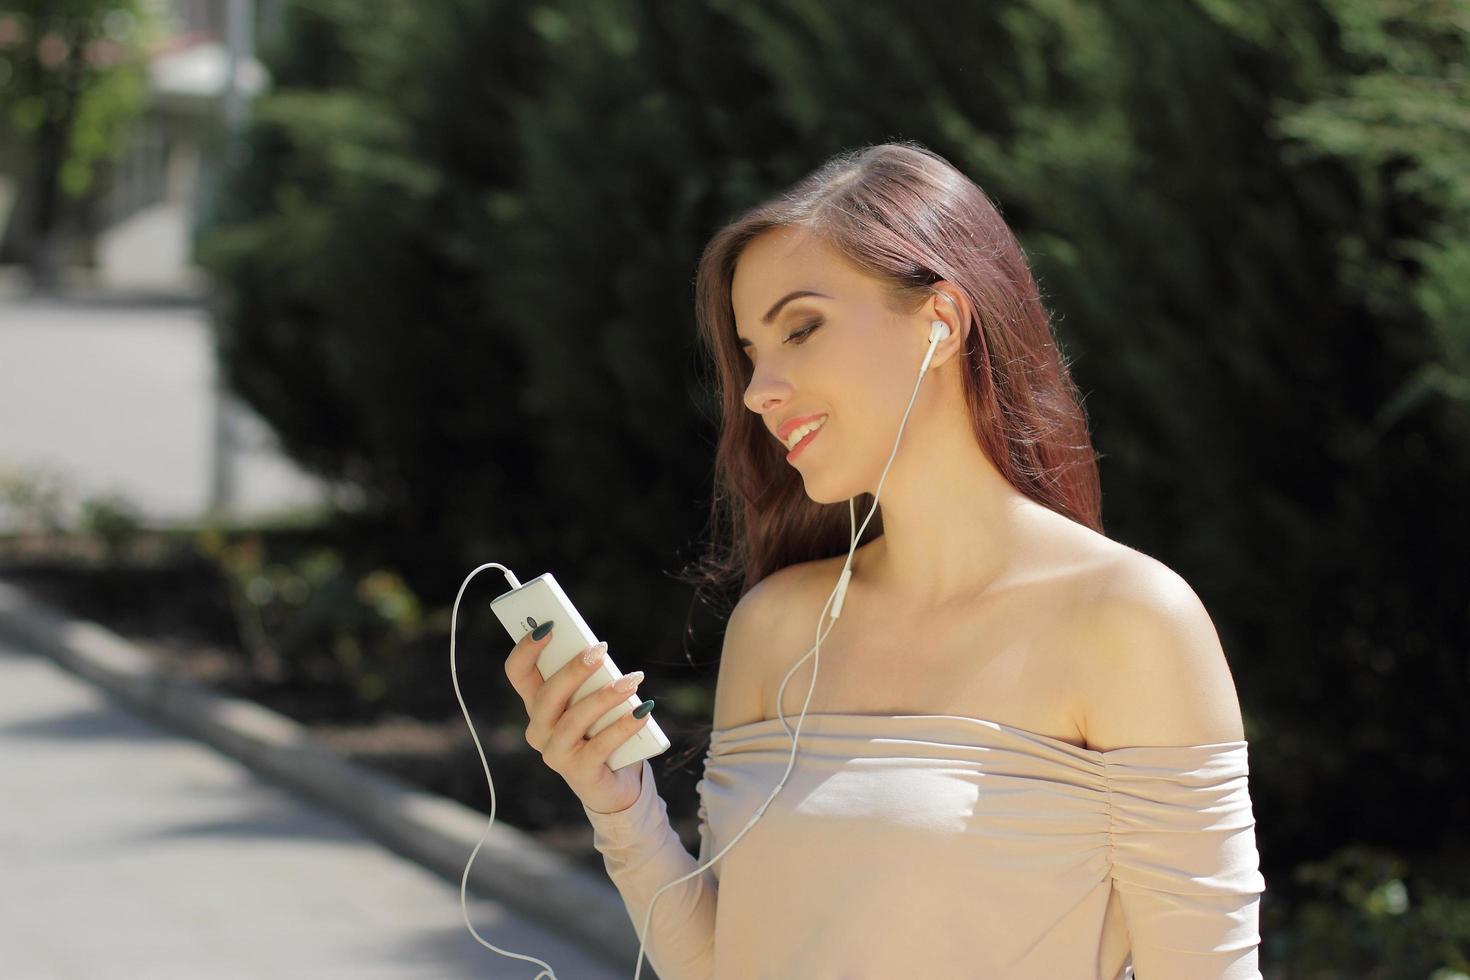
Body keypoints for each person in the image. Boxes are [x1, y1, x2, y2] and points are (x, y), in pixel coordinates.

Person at [509, 141, 1266, 979]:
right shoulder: (777, 625)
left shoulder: (1128, 620)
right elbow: (732, 963)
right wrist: (620, 809)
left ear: (941, 320)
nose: (760, 390)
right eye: (752, 352)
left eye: (801, 329)